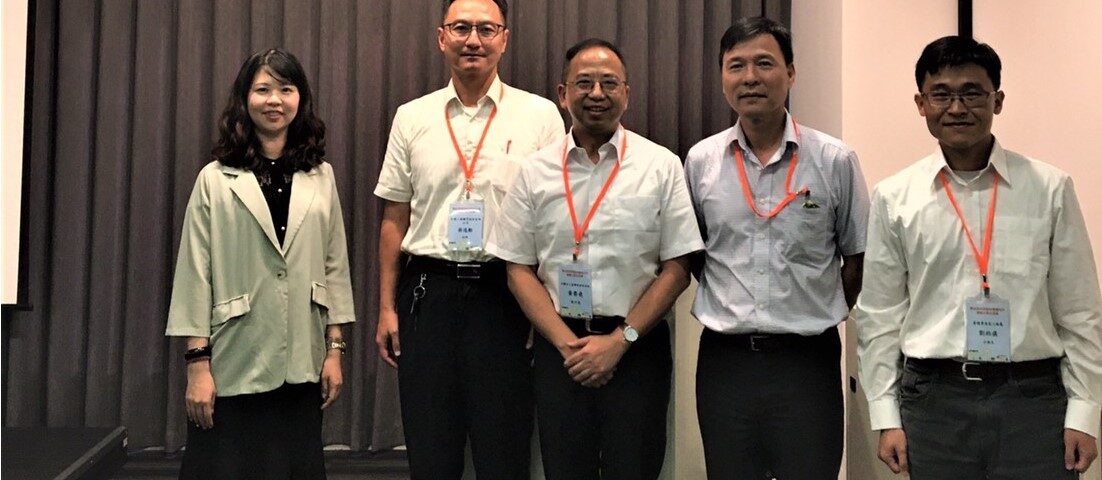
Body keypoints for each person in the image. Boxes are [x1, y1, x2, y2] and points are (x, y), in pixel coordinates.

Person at [856, 35, 1101, 479]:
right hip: (933, 401)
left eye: (972, 93)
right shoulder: (895, 197)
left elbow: (1079, 311)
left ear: (997, 100)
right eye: (941, 94)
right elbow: (880, 315)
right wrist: (886, 415)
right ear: (921, 104)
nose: (957, 108)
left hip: (1033, 400)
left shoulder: (1050, 189)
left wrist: (1084, 412)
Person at [487, 38, 703, 480]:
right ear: (562, 94)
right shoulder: (534, 171)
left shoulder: (661, 165)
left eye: (609, 83)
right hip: (560, 351)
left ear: (627, 93)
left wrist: (620, 341)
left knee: (636, 469)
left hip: (637, 349)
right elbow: (518, 269)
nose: (597, 94)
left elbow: (678, 268)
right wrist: (569, 346)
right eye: (584, 83)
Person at [372, 0, 564, 477]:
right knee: (431, 451)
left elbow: (554, 220)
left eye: (485, 29)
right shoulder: (412, 117)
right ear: (442, 38)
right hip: (427, 295)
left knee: (504, 451)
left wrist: (543, 310)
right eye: (461, 28)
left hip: (507, 295)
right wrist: (387, 307)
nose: (473, 40)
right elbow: (395, 218)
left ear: (504, 38)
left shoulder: (539, 116)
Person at [683, 16, 869, 479]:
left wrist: (813, 306)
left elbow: (856, 258)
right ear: (722, 76)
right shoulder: (701, 161)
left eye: (764, 63)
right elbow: (696, 253)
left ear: (791, 72)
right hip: (725, 363)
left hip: (806, 362)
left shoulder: (834, 160)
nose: (750, 77)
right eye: (736, 65)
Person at [165, 48, 355, 479]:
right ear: (244, 98)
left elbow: (335, 264)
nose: (274, 100)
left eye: (286, 89)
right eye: (262, 89)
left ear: (300, 98)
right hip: (235, 358)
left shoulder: (320, 175)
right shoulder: (215, 178)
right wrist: (197, 364)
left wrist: (335, 349)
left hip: (302, 359)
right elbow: (195, 273)